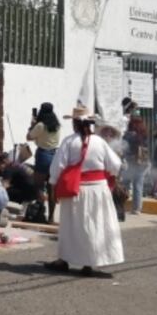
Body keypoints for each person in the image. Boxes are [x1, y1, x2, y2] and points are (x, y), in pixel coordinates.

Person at [45, 105, 123, 277]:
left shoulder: (69, 141)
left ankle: (63, 260)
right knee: (95, 225)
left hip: (76, 190)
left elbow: (57, 167)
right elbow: (115, 165)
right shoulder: (100, 142)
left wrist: (53, 183)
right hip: (99, 191)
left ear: (74, 123)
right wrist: (110, 177)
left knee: (72, 227)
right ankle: (89, 263)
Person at [26, 102, 61, 224]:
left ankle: (40, 210)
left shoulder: (40, 125)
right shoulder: (56, 125)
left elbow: (29, 137)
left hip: (43, 154)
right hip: (54, 155)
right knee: (51, 187)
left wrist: (32, 125)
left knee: (38, 185)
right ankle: (51, 217)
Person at [121, 111, 149, 215]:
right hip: (142, 160)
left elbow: (123, 147)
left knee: (124, 184)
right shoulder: (144, 133)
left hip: (130, 160)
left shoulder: (128, 134)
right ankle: (137, 208)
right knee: (138, 185)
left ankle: (120, 205)